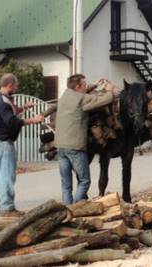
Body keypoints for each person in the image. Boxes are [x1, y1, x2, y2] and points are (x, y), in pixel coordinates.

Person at [55, 74, 122, 205]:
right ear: (78, 86)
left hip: (60, 147)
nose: (86, 86)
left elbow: (82, 92)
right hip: (74, 147)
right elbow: (102, 100)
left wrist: (95, 85)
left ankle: (66, 211)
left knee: (66, 184)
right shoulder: (82, 99)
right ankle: (74, 208)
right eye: (85, 85)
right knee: (85, 181)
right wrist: (109, 90)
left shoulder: (65, 96)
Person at [0, 73, 44, 216]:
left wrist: (24, 107)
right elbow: (11, 121)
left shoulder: (4, 99)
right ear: (10, 85)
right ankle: (7, 208)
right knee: (7, 175)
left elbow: (12, 113)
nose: (17, 88)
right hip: (4, 143)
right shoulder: (3, 101)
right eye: (16, 85)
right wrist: (32, 120)